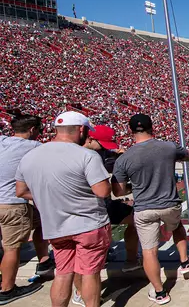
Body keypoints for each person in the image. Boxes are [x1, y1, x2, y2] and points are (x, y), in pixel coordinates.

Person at [16, 111, 112, 307]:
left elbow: (20, 191)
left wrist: (52, 196)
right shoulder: (86, 154)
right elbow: (102, 191)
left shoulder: (30, 156)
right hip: (88, 223)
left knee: (63, 272)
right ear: (81, 129)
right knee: (89, 273)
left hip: (55, 225)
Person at [112, 114, 189, 305]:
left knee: (149, 251)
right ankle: (184, 262)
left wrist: (136, 186)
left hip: (144, 207)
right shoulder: (168, 146)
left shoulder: (125, 158)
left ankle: (159, 292)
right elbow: (188, 156)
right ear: (152, 127)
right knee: (176, 228)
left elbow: (119, 190)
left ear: (131, 131)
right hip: (168, 202)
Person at [0, 115, 53, 304]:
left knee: (40, 221)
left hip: (4, 202)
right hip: (11, 204)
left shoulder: (3, 140)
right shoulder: (35, 147)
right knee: (12, 248)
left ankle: (45, 260)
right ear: (32, 129)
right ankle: (7, 290)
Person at [83, 125, 141, 274]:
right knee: (136, 219)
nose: (104, 148)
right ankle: (131, 260)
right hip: (95, 204)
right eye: (102, 144)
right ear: (90, 139)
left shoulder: (94, 152)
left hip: (93, 205)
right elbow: (104, 189)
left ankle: (118, 256)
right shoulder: (90, 157)